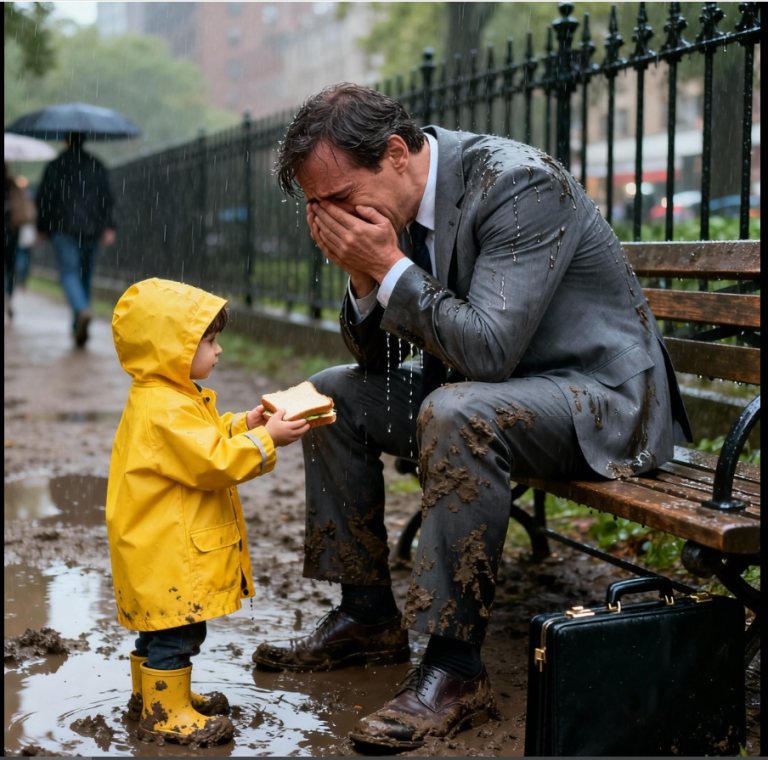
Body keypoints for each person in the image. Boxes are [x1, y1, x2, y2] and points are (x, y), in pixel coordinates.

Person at [250, 83, 693, 752]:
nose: (332, 219)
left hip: (599, 400)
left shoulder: (518, 185)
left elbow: (487, 350)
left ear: (396, 153)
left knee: (457, 411)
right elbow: (371, 354)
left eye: (340, 200)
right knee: (331, 395)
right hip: (493, 393)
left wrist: (387, 265)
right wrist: (366, 275)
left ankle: (456, 671)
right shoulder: (390, 212)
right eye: (316, 208)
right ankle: (366, 614)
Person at [106, 277, 310, 746]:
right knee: (179, 632)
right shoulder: (166, 408)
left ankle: (150, 696)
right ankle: (165, 713)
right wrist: (267, 440)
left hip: (155, 546)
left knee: (156, 631)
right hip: (169, 552)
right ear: (170, 349)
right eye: (209, 341)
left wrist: (245, 423)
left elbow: (208, 437)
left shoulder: (166, 396)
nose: (218, 351)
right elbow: (214, 461)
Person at [35, 131, 116, 347]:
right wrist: (108, 225)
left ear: (65, 140)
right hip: (91, 229)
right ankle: (79, 319)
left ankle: (81, 311)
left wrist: (42, 227)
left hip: (63, 228)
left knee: (69, 273)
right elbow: (108, 198)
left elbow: (44, 198)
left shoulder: (55, 166)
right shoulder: (96, 165)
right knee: (85, 275)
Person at [4, 162, 35, 319]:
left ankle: (7, 295)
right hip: (12, 230)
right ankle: (8, 295)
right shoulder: (13, 185)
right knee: (10, 266)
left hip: (11, 230)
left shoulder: (13, 185)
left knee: (10, 266)